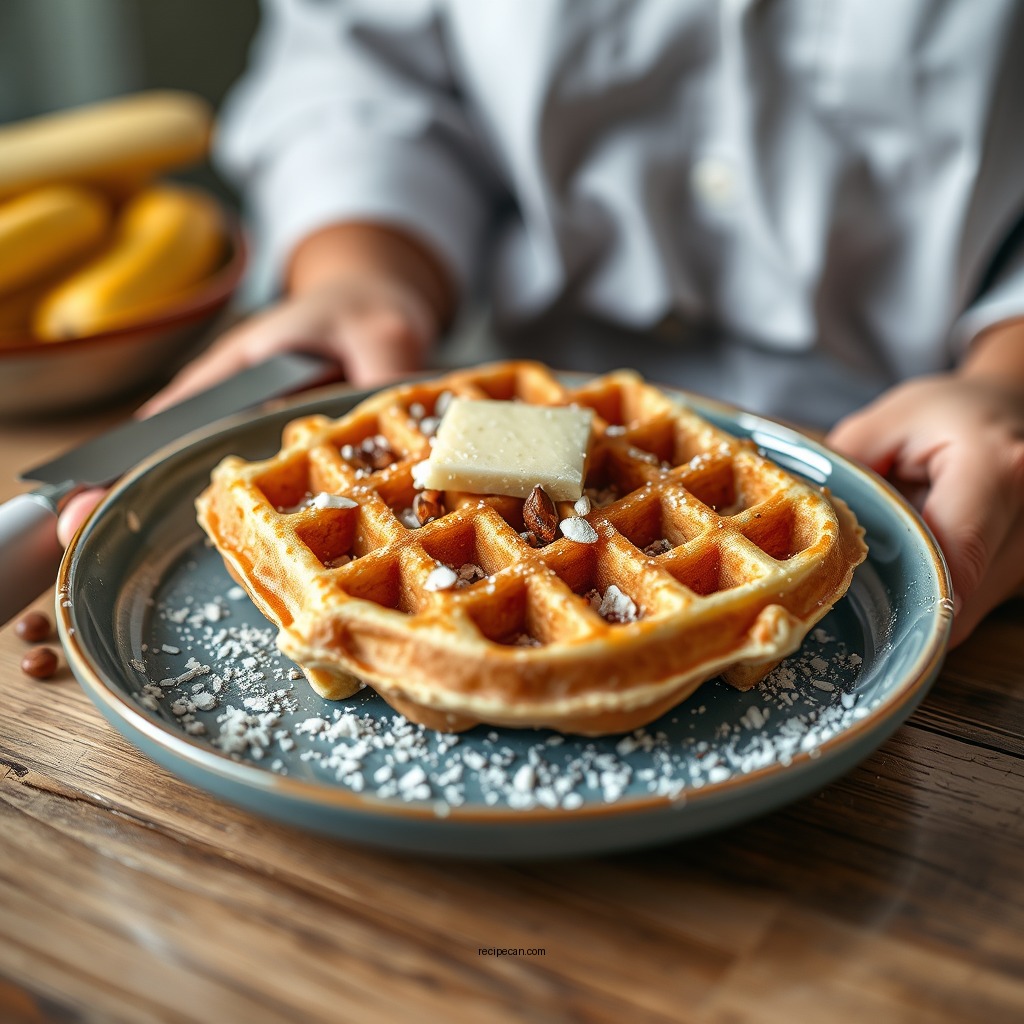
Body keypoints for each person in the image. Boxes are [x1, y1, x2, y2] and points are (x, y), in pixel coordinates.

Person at [59, 0, 1024, 647]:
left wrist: (1006, 378)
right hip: (505, 375)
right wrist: (364, 271)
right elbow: (360, 63)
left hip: (929, 455)